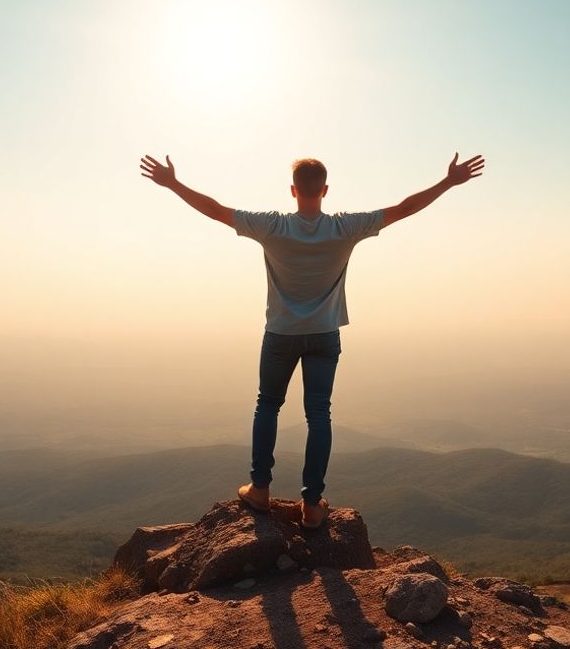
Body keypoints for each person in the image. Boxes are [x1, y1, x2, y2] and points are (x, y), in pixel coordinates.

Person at [139, 152, 485, 529]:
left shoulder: (272, 227)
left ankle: (260, 490)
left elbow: (216, 210)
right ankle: (313, 506)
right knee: (319, 415)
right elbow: (404, 208)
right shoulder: (344, 228)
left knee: (267, 406)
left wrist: (173, 184)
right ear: (324, 189)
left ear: (292, 190)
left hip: (280, 334)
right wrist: (448, 183)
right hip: (324, 335)